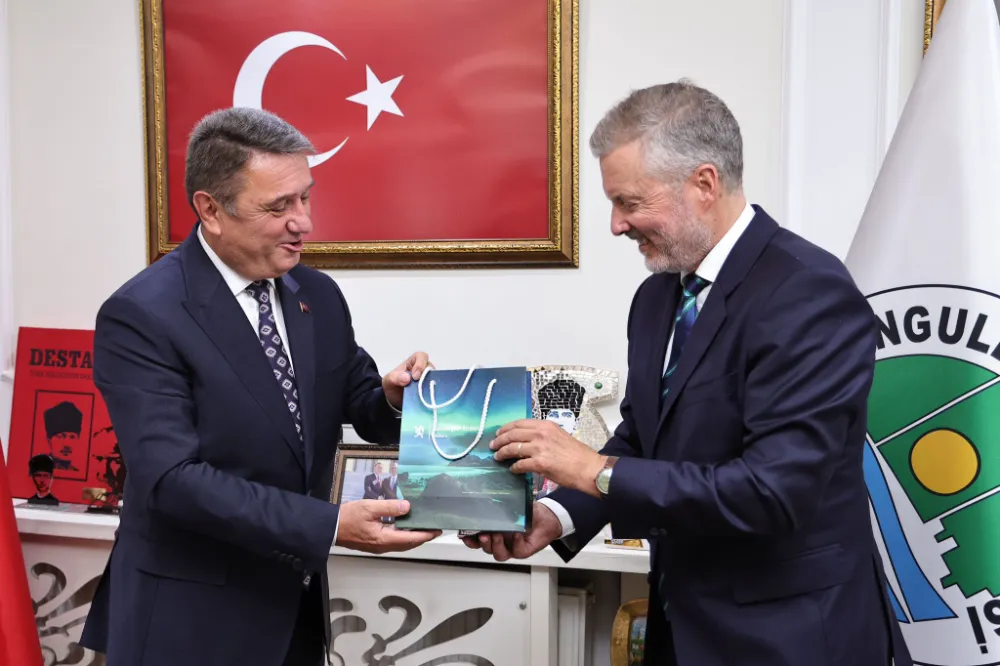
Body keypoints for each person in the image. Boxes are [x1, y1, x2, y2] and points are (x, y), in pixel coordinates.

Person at [465, 81, 912, 666]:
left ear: (704, 183)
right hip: (682, 631)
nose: (616, 226)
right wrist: (558, 515)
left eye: (629, 202)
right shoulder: (657, 298)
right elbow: (642, 439)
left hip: (790, 639)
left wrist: (592, 469)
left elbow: (774, 492)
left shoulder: (810, 292)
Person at [79, 107, 440, 666]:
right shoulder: (142, 314)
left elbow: (356, 399)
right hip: (188, 622)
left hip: (294, 616)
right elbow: (172, 480)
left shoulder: (316, 295)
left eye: (305, 198)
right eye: (279, 207)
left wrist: (393, 396)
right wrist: (329, 525)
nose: (304, 223)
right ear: (211, 210)